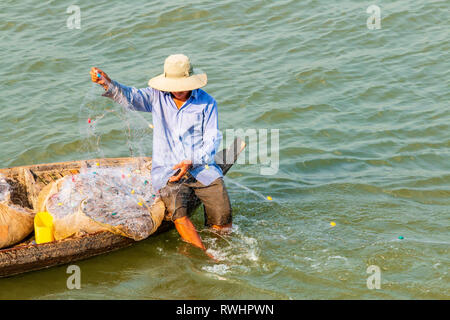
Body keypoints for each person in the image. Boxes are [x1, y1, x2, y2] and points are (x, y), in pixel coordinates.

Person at [90, 54, 232, 256]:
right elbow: (130, 97)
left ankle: (221, 245)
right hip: (168, 171)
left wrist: (191, 161)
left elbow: (212, 140)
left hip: (201, 167)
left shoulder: (207, 103)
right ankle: (205, 256)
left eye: (183, 84)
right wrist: (107, 82)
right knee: (177, 211)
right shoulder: (156, 96)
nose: (178, 90)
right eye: (174, 85)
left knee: (222, 210)